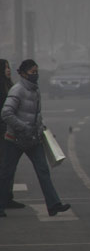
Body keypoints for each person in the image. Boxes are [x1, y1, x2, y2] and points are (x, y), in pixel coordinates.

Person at [0, 59, 70, 217]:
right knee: (6, 174)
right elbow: (6, 113)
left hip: (33, 139)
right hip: (14, 140)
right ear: (24, 73)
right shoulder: (17, 90)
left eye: (36, 72)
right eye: (32, 72)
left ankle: (54, 205)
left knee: (43, 171)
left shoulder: (36, 90)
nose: (35, 75)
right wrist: (23, 127)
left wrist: (41, 129)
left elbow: (36, 115)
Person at [0, 59, 25, 209]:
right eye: (5, 67)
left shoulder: (10, 86)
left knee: (9, 166)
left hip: (11, 131)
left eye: (9, 66)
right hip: (3, 131)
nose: (8, 70)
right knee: (5, 166)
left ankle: (7, 197)